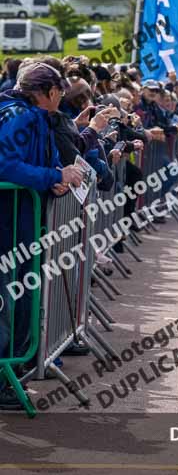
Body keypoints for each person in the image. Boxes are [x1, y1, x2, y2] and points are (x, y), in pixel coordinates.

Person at [0, 61, 84, 408]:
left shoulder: (30, 116)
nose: (61, 99)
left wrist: (55, 178)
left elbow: (39, 163)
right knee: (8, 303)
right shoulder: (19, 116)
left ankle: (8, 378)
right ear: (48, 93)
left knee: (18, 302)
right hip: (8, 227)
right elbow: (4, 164)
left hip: (18, 225)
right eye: (59, 93)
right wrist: (49, 177)